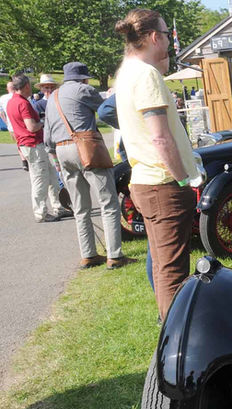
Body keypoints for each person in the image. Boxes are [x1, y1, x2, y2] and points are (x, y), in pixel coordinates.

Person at [114, 8, 198, 320]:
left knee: (164, 266)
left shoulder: (126, 72)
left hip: (147, 181)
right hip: (162, 184)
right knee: (173, 272)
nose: (168, 42)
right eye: (165, 35)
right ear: (153, 37)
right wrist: (183, 179)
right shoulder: (146, 75)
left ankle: (172, 329)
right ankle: (176, 337)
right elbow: (161, 138)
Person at [44, 62, 132, 269]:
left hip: (61, 150)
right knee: (108, 202)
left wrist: (56, 161)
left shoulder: (53, 97)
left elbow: (47, 136)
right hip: (86, 147)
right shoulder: (84, 90)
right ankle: (115, 256)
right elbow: (106, 109)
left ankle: (88, 254)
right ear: (83, 78)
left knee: (80, 208)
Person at [6, 74, 70, 223]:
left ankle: (59, 207)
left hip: (29, 145)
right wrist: (43, 121)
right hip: (32, 144)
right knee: (40, 180)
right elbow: (31, 127)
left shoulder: (12, 102)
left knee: (52, 176)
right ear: (26, 86)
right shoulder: (23, 103)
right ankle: (41, 213)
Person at [1, 80, 29, 171]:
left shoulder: (2, 98)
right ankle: (27, 159)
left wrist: (6, 123)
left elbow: (1, 113)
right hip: (23, 123)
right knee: (27, 141)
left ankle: (24, 160)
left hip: (11, 125)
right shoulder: (21, 96)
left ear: (7, 89)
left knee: (19, 143)